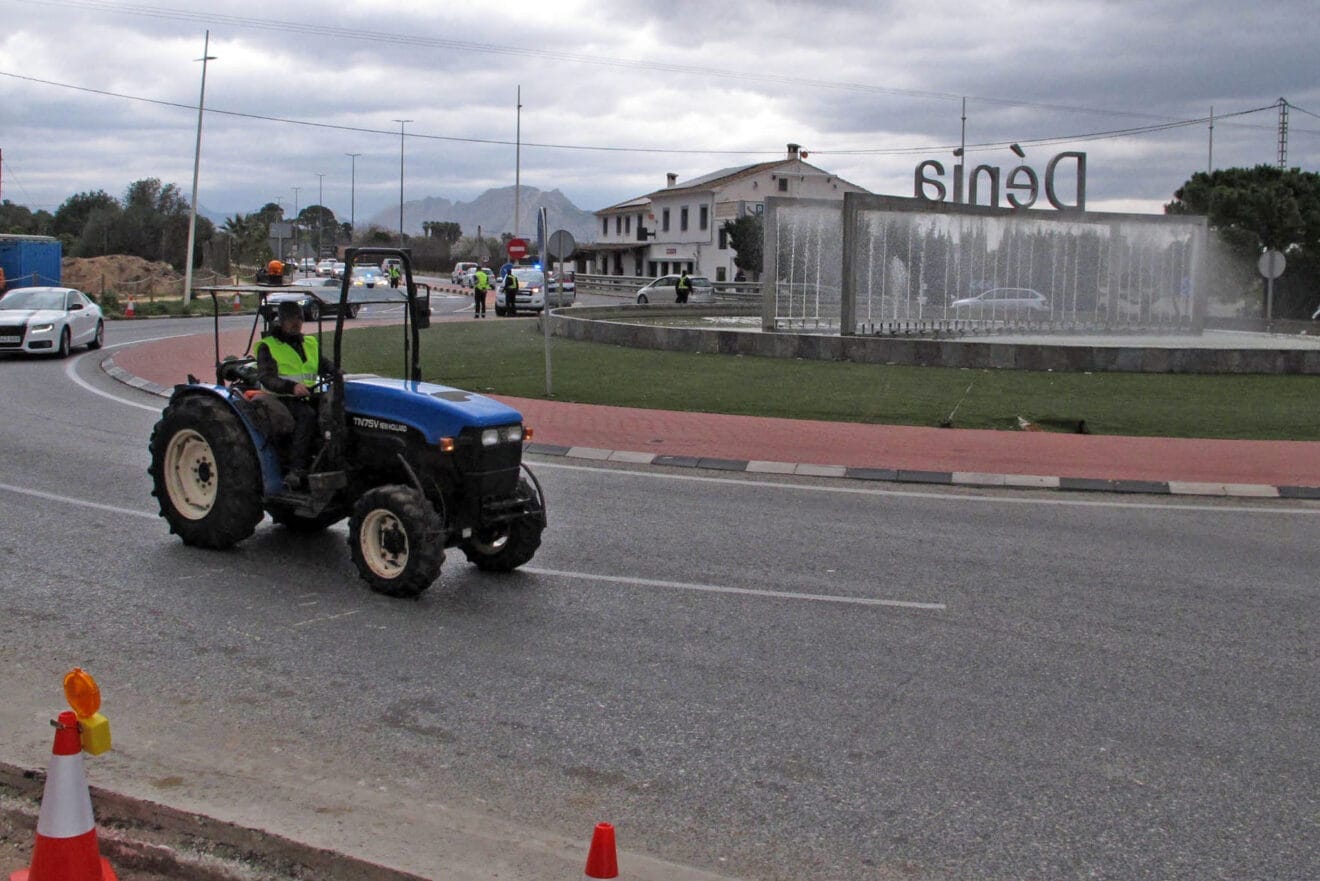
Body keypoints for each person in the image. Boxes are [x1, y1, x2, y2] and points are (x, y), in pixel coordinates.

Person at [255, 300, 337, 489]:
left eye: (299, 318)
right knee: (307, 416)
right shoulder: (268, 346)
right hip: (281, 397)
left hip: (308, 394)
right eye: (291, 319)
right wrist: (291, 387)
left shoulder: (308, 342)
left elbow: (324, 365)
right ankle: (296, 469)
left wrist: (339, 373)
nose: (297, 323)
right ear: (281, 321)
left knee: (334, 412)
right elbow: (267, 378)